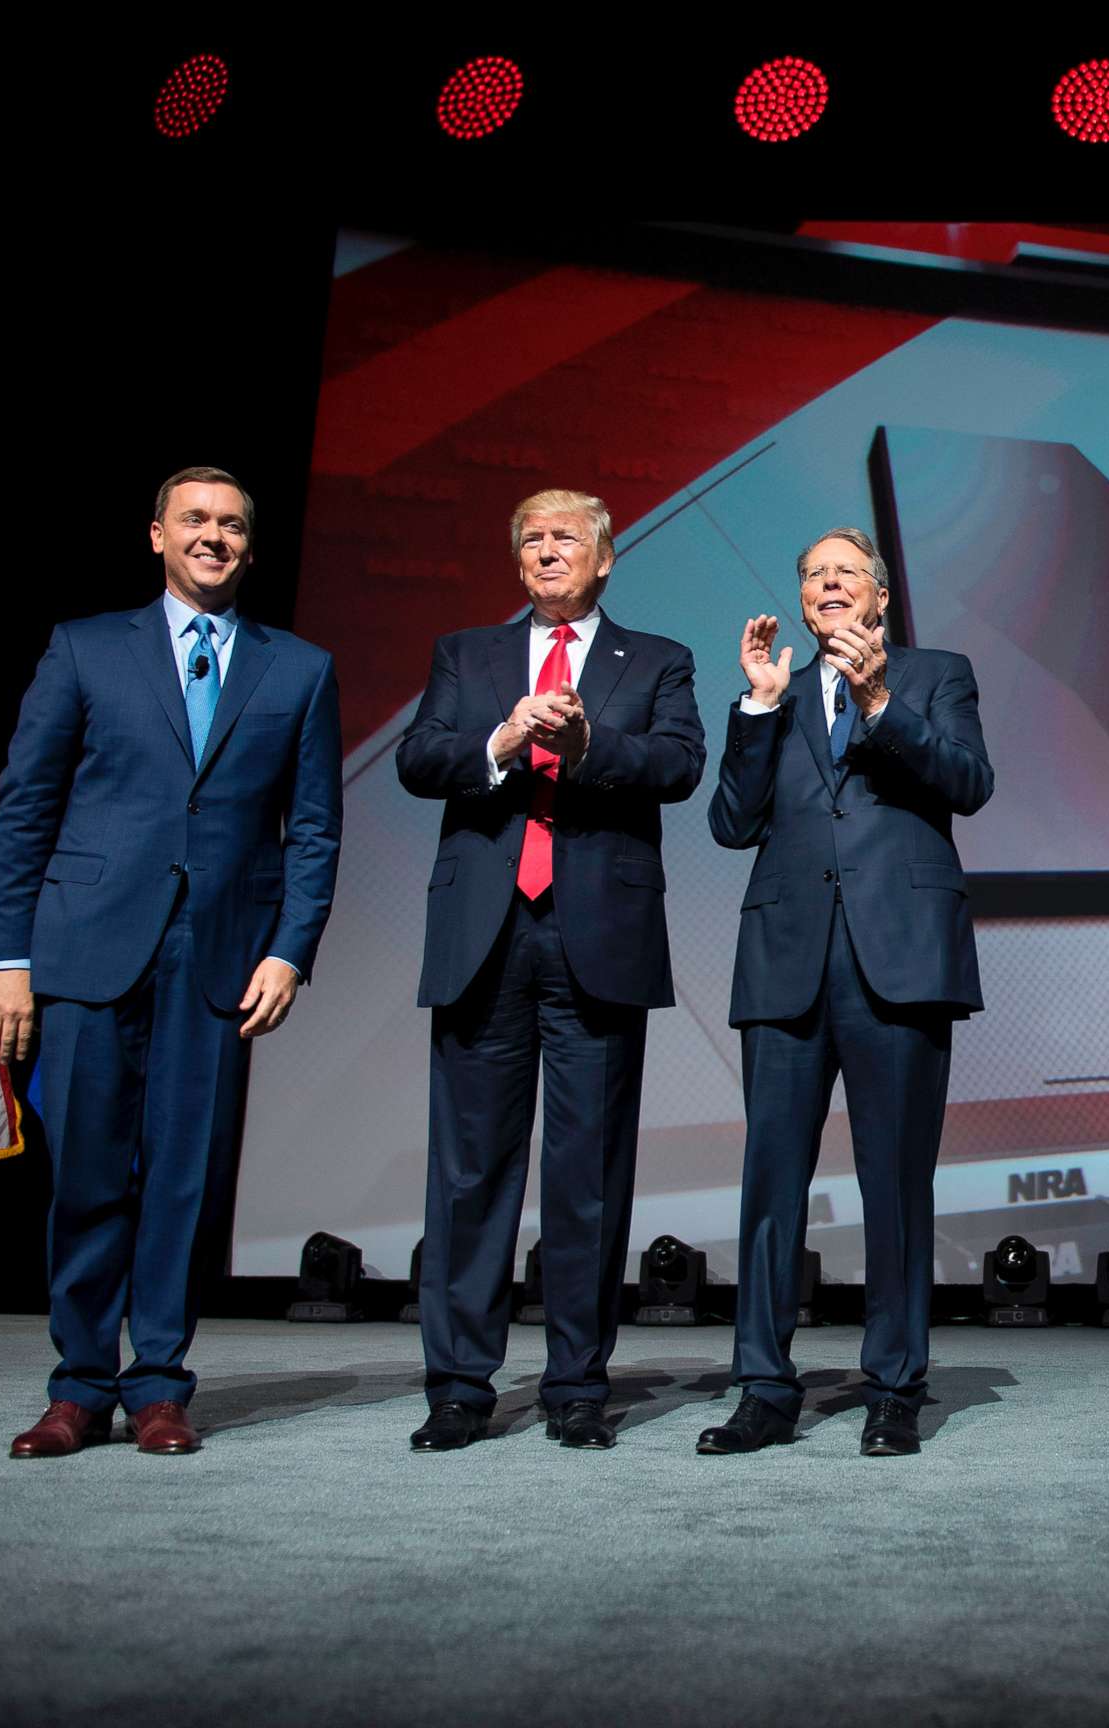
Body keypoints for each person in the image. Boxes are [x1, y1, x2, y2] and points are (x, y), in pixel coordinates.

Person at [0, 467, 343, 1458]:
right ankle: (78, 1384)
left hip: (220, 960)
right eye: (195, 520)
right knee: (88, 1169)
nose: (213, 537)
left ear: (251, 548)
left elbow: (312, 834)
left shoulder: (299, 669)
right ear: (157, 535)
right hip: (86, 947)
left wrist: (290, 952)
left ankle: (158, 1387)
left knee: (181, 1177)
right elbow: (23, 816)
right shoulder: (86, 648)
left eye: (232, 525)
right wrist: (6, 959)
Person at [395, 488, 704, 1452]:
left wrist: (586, 745)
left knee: (588, 1177)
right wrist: (502, 739)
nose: (545, 550)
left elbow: (680, 764)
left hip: (596, 936)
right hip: (487, 933)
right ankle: (458, 1387)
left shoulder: (655, 659)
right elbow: (418, 757)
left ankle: (577, 1384)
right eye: (529, 537)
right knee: (470, 1172)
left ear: (605, 558)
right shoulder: (468, 654)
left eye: (565, 537)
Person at [700, 526, 993, 1458]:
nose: (827, 584)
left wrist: (877, 703)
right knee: (770, 1186)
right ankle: (763, 1388)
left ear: (880, 599)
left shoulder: (936, 672)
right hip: (786, 960)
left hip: (898, 962)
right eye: (812, 574)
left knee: (895, 1185)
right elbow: (730, 823)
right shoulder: (774, 698)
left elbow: (969, 782)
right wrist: (753, 708)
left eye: (844, 574)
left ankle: (895, 1388)